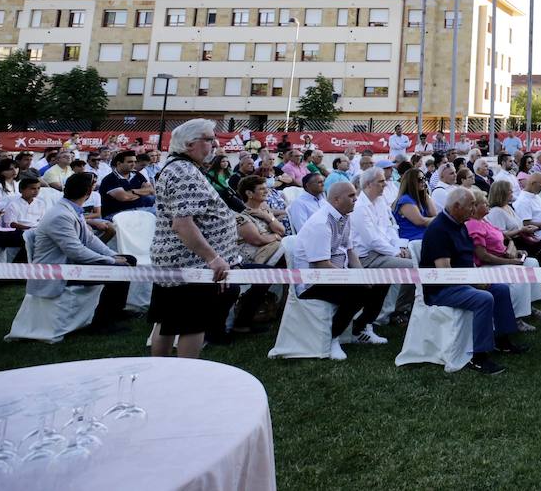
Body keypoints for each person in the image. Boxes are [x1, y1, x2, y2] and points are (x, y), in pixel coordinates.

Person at [148, 120, 241, 359]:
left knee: (167, 321)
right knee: (192, 325)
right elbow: (183, 224)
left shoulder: (178, 168)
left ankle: (162, 371)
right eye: (209, 139)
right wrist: (213, 257)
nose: (215, 144)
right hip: (191, 263)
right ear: (190, 144)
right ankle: (186, 376)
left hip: (177, 259)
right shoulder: (184, 172)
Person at [420, 186, 528, 375]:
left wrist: (477, 277)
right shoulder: (438, 230)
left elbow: (467, 260)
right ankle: (479, 357)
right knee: (484, 298)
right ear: (456, 207)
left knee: (501, 290)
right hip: (441, 288)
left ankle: (502, 341)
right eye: (471, 205)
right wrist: (474, 283)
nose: (473, 209)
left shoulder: (461, 224)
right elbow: (444, 272)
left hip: (464, 280)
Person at [27, 171, 136, 335]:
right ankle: (102, 323)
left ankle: (116, 311)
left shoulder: (70, 209)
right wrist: (111, 261)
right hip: (58, 270)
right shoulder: (61, 215)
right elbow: (76, 251)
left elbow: (89, 240)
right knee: (116, 271)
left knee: (129, 260)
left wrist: (112, 255)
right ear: (88, 193)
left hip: (69, 264)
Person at [296, 180, 390, 359]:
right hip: (313, 283)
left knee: (381, 281)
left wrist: (362, 274)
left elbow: (350, 251)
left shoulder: (344, 217)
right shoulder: (321, 223)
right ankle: (332, 339)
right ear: (336, 200)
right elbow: (321, 266)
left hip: (335, 275)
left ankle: (360, 329)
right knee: (358, 291)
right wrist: (353, 279)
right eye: (351, 195)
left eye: (355, 194)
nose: (356, 199)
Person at [465, 187, 541, 328]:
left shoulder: (483, 221)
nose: (488, 206)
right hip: (487, 265)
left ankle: (528, 305)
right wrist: (511, 260)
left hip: (502, 256)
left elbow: (505, 237)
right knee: (520, 274)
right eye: (484, 204)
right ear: (475, 207)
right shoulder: (473, 225)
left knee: (532, 263)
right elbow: (483, 256)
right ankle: (515, 317)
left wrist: (515, 250)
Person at [353, 167, 416, 322]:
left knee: (418, 260)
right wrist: (395, 251)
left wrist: (399, 247)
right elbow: (372, 240)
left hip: (382, 252)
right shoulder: (360, 207)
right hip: (366, 257)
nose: (385, 185)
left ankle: (401, 309)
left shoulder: (380, 201)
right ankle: (401, 310)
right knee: (414, 267)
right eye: (381, 182)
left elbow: (390, 228)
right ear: (368, 184)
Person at [231, 174, 287, 335]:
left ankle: (282, 308)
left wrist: (266, 216)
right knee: (288, 257)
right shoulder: (240, 215)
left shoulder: (264, 209)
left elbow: (281, 230)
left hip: (271, 251)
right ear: (249, 193)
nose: (266, 191)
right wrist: (275, 236)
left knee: (291, 258)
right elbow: (257, 240)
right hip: (251, 257)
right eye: (261, 189)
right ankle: (245, 320)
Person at [392, 168, 437, 241]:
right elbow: (421, 221)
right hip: (413, 238)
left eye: (424, 178)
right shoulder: (405, 200)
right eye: (420, 179)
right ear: (411, 182)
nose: (423, 181)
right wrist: (440, 219)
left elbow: (434, 214)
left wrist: (425, 194)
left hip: (424, 235)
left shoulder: (421, 198)